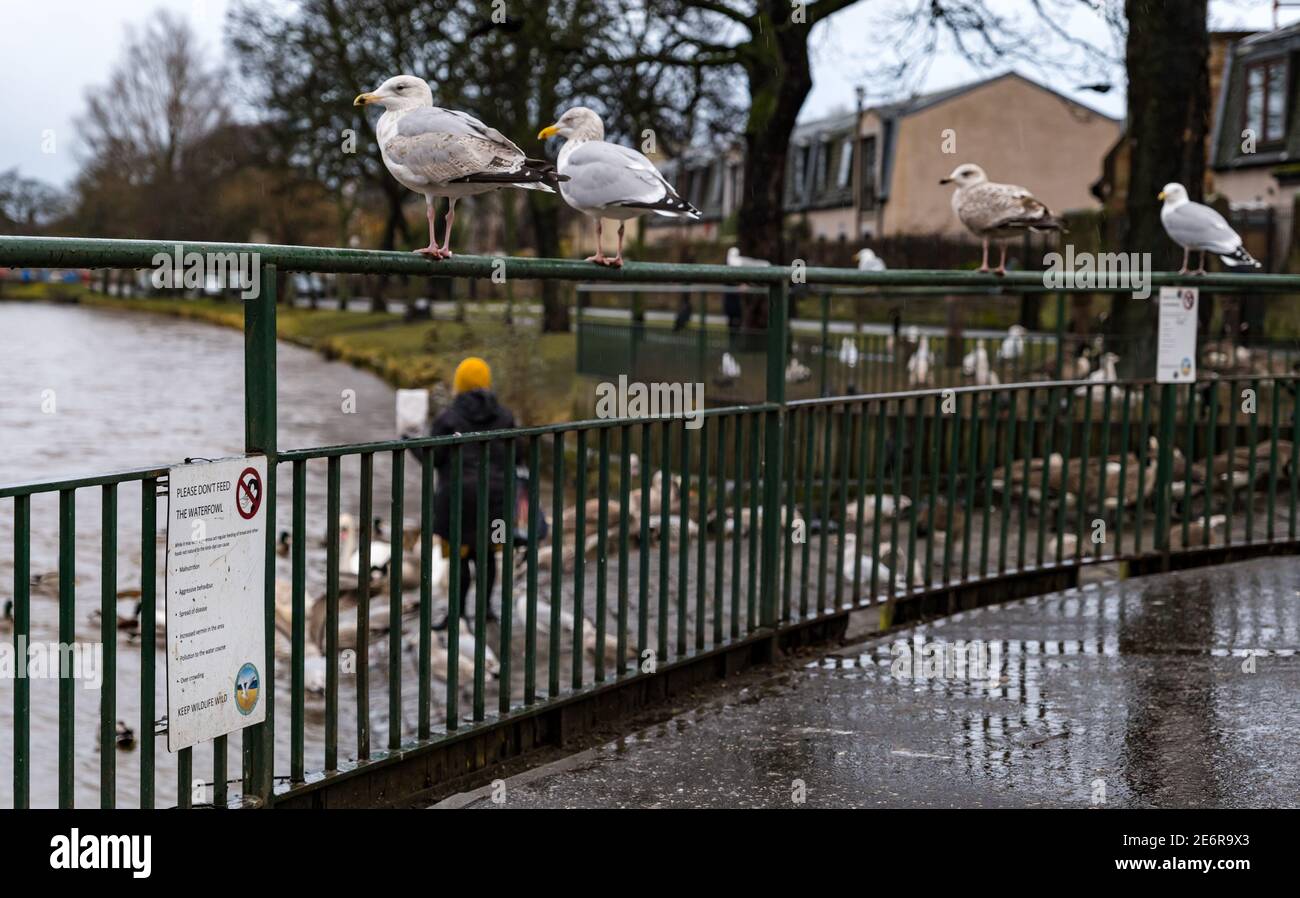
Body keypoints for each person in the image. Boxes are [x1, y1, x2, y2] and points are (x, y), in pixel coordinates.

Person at [428, 357, 515, 630]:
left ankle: (457, 614)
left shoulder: (448, 418)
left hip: (457, 498)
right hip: (495, 496)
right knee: (487, 554)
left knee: (458, 557)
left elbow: (434, 457)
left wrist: (408, 440)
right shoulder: (504, 416)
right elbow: (515, 455)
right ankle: (486, 609)